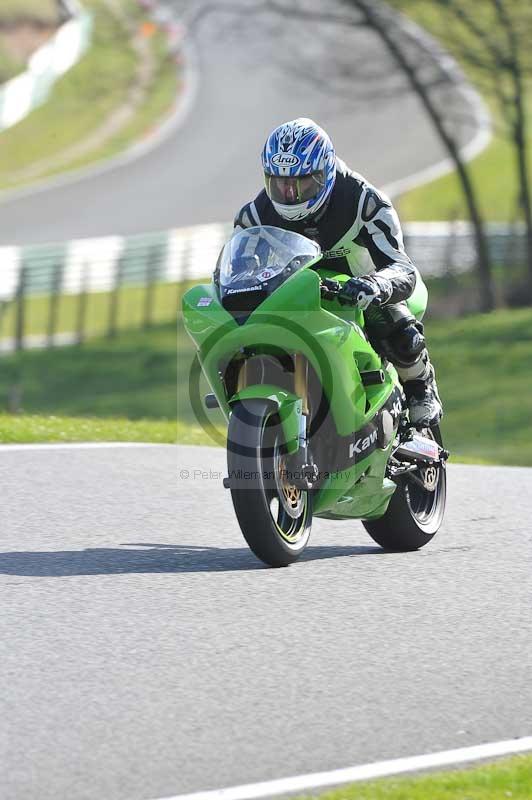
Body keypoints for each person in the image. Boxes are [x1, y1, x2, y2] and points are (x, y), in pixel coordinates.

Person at [233, 117, 442, 428]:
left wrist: (375, 285)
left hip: (363, 292)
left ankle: (420, 390)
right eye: (280, 183)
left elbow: (402, 267)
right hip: (298, 296)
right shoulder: (254, 216)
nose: (290, 194)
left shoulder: (364, 201)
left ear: (324, 173)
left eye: (301, 183)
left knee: (398, 328)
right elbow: (239, 272)